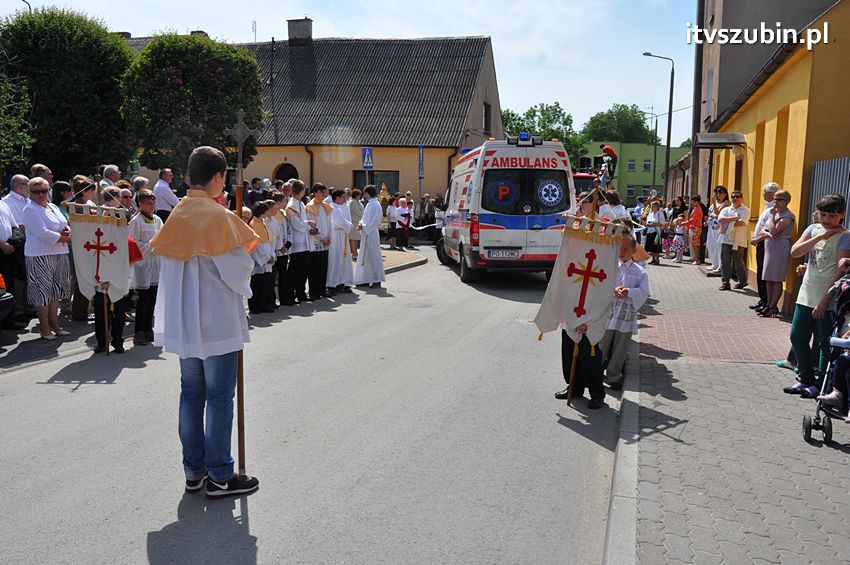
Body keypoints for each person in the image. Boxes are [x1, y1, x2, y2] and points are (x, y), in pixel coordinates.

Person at [150, 145, 261, 498]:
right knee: (218, 396)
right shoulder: (219, 217)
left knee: (191, 394)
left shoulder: (176, 216)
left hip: (184, 321)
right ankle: (220, 475)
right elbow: (239, 270)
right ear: (218, 177)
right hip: (216, 323)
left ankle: (193, 472)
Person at [783, 194, 850, 399]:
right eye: (823, 214)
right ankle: (805, 379)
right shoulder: (813, 229)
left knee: (824, 342)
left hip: (827, 298)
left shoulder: (845, 237)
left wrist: (824, 300)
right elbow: (795, 252)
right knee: (797, 337)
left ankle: (821, 385)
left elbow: (840, 272)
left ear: (842, 215)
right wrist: (820, 237)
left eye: (832, 215)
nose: (826, 220)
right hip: (806, 293)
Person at [21, 177, 72, 340]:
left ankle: (54, 323)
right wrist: (63, 237)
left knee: (55, 290)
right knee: (42, 292)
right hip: (40, 255)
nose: (41, 194)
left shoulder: (52, 206)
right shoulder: (30, 209)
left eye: (44, 190)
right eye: (36, 192)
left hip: (59, 252)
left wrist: (68, 231)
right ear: (30, 193)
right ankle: (44, 327)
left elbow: (64, 223)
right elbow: (42, 232)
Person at [600, 234, 650, 391]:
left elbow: (644, 292)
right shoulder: (610, 266)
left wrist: (629, 291)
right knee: (602, 344)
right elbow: (601, 284)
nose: (622, 252)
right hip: (609, 313)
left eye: (626, 249)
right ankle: (596, 372)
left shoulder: (640, 272)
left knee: (620, 347)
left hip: (625, 315)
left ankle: (613, 374)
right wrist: (612, 290)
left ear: (634, 250)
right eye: (619, 248)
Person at [128, 189, 162, 345]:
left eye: (154, 203)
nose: (152, 206)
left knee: (153, 299)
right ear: (140, 204)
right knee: (144, 300)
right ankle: (139, 331)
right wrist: (150, 245)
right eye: (149, 203)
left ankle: (149, 328)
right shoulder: (136, 221)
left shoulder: (157, 219)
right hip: (143, 265)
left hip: (156, 263)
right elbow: (132, 244)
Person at [755, 190, 795, 318]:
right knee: (768, 277)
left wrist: (771, 219)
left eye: (778, 199)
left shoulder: (787, 216)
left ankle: (773, 306)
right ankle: (768, 304)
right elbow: (765, 229)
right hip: (770, 247)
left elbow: (772, 230)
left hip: (779, 248)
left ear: (786, 201)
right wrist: (767, 232)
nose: (775, 202)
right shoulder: (776, 213)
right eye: (775, 199)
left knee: (776, 278)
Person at [749, 182, 779, 310]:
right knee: (761, 271)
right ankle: (763, 299)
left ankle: (766, 300)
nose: (763, 194)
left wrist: (757, 239)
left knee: (764, 272)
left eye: (765, 192)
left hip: (764, 242)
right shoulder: (768, 206)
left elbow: (767, 229)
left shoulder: (774, 208)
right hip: (760, 242)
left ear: (771, 193)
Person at [283, 179, 311, 304]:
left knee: (303, 270)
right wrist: (309, 224)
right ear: (301, 191)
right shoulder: (291, 205)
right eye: (304, 189)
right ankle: (290, 294)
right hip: (297, 242)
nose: (305, 191)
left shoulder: (301, 203)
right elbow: (296, 225)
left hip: (305, 241)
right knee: (294, 270)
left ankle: (301, 293)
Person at [353, 185, 386, 289]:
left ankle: (377, 279)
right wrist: (361, 224)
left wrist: (365, 227)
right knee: (365, 257)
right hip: (366, 233)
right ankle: (365, 279)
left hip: (371, 233)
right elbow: (364, 218)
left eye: (365, 193)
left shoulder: (376, 204)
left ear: (368, 193)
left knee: (373, 256)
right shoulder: (369, 204)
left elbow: (376, 221)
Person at [717, 190, 750, 291]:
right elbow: (720, 219)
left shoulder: (745, 210)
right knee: (725, 262)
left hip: (738, 240)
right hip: (726, 239)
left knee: (738, 262)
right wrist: (734, 218)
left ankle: (742, 282)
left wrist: (726, 222)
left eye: (737, 196)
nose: (735, 198)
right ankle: (725, 283)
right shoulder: (727, 209)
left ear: (741, 198)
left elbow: (741, 223)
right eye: (733, 197)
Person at [247, 201, 276, 314]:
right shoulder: (254, 224)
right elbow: (256, 245)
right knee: (257, 283)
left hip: (267, 255)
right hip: (260, 258)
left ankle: (264, 303)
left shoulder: (263, 223)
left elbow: (269, 240)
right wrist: (265, 258)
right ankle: (254, 306)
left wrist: (271, 255)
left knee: (266, 282)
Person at [305, 183, 332, 298]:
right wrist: (321, 238)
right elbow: (312, 226)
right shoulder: (310, 206)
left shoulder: (325, 205)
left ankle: (322, 289)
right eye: (320, 192)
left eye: (323, 192)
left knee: (323, 267)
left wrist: (329, 237)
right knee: (314, 268)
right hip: (316, 240)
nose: (322, 194)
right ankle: (313, 291)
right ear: (315, 192)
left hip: (326, 239)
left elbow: (330, 222)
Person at [328, 188, 354, 293]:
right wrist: (350, 226)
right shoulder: (332, 208)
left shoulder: (339, 207)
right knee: (336, 260)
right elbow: (340, 222)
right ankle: (332, 284)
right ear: (337, 197)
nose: (345, 199)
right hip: (336, 236)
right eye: (343, 197)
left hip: (342, 235)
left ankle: (343, 281)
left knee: (343, 260)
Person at [706, 186, 730, 273]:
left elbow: (717, 213)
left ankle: (720, 265)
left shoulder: (726, 203)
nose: (719, 194)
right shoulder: (716, 203)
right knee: (710, 244)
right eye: (718, 192)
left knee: (718, 246)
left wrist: (713, 202)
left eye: (721, 192)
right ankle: (714, 263)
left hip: (719, 227)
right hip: (711, 225)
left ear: (725, 194)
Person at [683, 194, 704, 265]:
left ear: (697, 202)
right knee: (693, 244)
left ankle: (697, 259)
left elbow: (694, 220)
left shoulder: (698, 209)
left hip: (696, 228)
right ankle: (695, 258)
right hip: (693, 227)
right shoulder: (695, 208)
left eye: (693, 202)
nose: (692, 203)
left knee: (696, 244)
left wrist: (686, 223)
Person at [643, 200, 665, 265]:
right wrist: (647, 224)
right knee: (651, 247)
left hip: (656, 232)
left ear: (657, 207)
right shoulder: (650, 214)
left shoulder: (660, 214)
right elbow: (647, 222)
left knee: (656, 247)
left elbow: (662, 223)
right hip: (650, 231)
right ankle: (653, 259)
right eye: (651, 206)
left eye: (653, 206)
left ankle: (657, 260)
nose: (652, 207)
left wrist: (654, 224)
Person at [348, 188, 364, 259]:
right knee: (353, 239)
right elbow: (359, 213)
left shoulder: (358, 202)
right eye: (359, 195)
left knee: (356, 238)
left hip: (358, 223)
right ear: (356, 195)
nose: (360, 196)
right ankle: (354, 254)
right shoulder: (352, 203)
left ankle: (356, 253)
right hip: (354, 223)